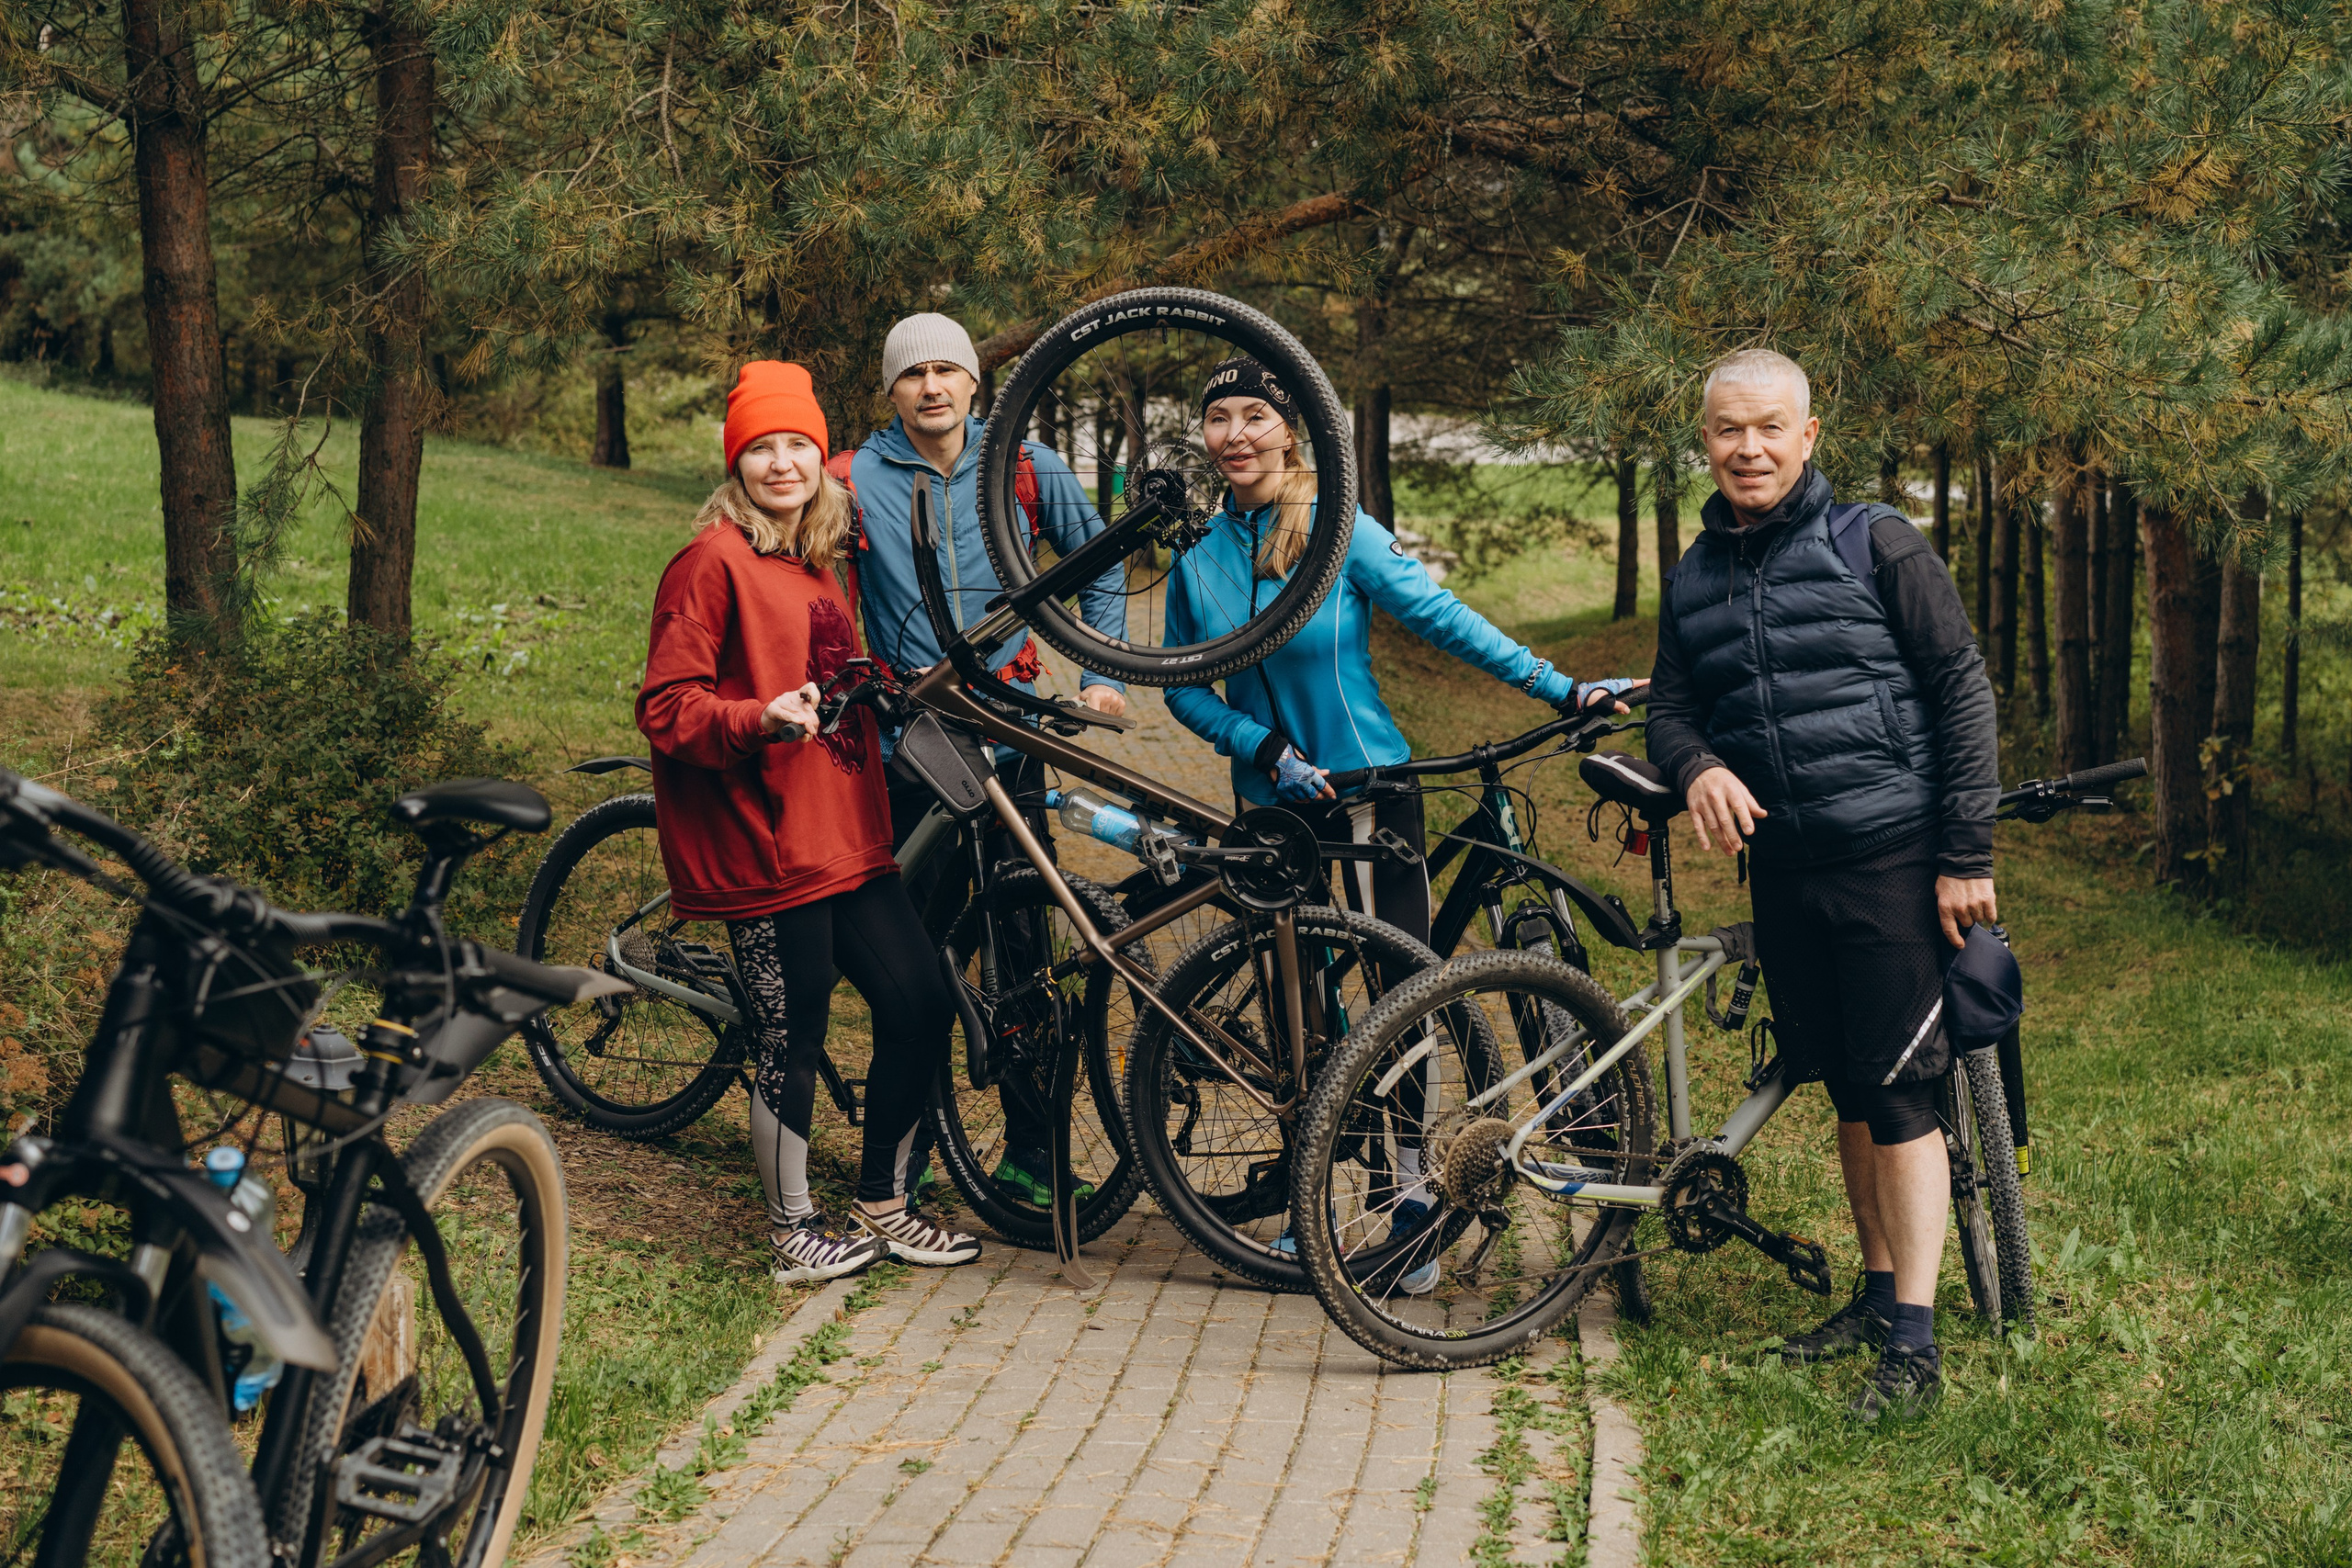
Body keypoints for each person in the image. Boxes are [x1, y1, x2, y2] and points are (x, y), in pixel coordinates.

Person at [1161, 355, 1639, 1292]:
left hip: (1368, 788)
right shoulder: (1197, 565)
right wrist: (1262, 748)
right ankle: (1314, 1205)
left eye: (1255, 414)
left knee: (1395, 996)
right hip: (1270, 807)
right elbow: (1183, 697)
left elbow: (1442, 616)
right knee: (1304, 1020)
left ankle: (1406, 1202)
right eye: (1219, 418)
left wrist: (1562, 686)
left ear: (1290, 430)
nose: (1236, 435)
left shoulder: (1336, 533)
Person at [1645, 348, 1999, 1422]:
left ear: (1808, 437)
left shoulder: (1874, 539)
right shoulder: (1696, 571)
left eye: (1767, 429)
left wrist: (1965, 854)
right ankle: (1877, 1291)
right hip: (1784, 871)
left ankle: (1915, 1350)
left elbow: (1959, 687)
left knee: (1897, 1091)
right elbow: (1668, 709)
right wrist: (1697, 766)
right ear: (1702, 441)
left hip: (1890, 857)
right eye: (1725, 431)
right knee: (1843, 1082)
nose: (1746, 449)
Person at [637, 358, 983, 1285]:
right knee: (792, 1032)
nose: (782, 463)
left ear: (817, 456)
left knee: (919, 1000)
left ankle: (884, 1201)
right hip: (765, 840)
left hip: (845, 834)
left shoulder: (818, 560)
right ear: (736, 462)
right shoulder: (710, 563)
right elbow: (667, 707)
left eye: (796, 444)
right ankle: (793, 1230)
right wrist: (758, 716)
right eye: (761, 448)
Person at [843, 313, 1132, 1209]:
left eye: (947, 371)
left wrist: (1100, 673)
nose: (931, 387)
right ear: (890, 392)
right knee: (916, 960)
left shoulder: (1026, 466)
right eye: (912, 374)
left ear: (974, 384)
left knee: (1022, 952)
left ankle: (1032, 1155)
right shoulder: (850, 479)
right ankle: (911, 1151)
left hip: (1010, 741)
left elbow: (1104, 562)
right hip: (907, 747)